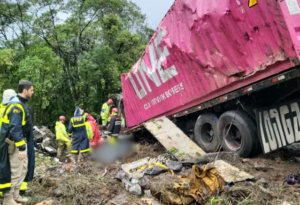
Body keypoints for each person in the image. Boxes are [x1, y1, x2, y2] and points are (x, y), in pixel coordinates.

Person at [0, 80, 35, 205]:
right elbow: (15, 129)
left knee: (23, 168)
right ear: (25, 90)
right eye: (31, 90)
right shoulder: (16, 106)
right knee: (15, 170)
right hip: (14, 144)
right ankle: (8, 199)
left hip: (21, 142)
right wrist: (21, 148)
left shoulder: (21, 104)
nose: (33, 92)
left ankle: (16, 194)